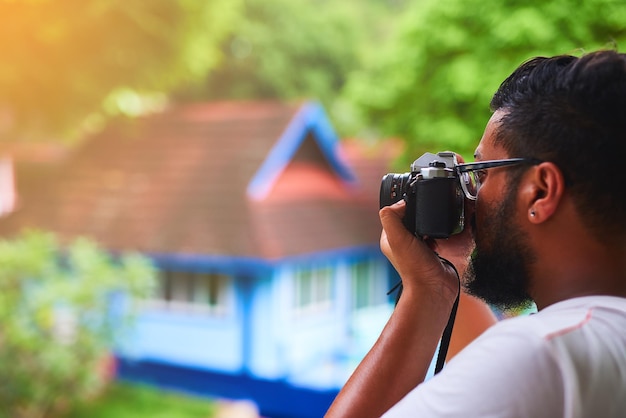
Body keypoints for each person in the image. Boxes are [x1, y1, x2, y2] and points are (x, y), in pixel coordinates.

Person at [325, 50, 626, 417]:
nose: (471, 198)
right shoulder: (586, 350)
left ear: (541, 191)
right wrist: (442, 277)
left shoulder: (541, 356)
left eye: (481, 174)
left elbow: (514, 368)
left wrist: (424, 292)